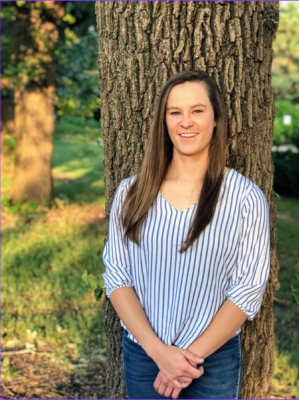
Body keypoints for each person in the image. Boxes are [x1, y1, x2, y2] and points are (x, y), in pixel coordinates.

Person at [102, 70, 270, 399]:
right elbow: (117, 276)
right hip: (145, 355)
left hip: (213, 360)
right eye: (175, 112)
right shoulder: (131, 193)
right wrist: (160, 354)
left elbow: (247, 290)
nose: (186, 122)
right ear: (164, 122)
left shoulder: (245, 198)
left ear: (216, 118)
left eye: (197, 111)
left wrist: (187, 360)